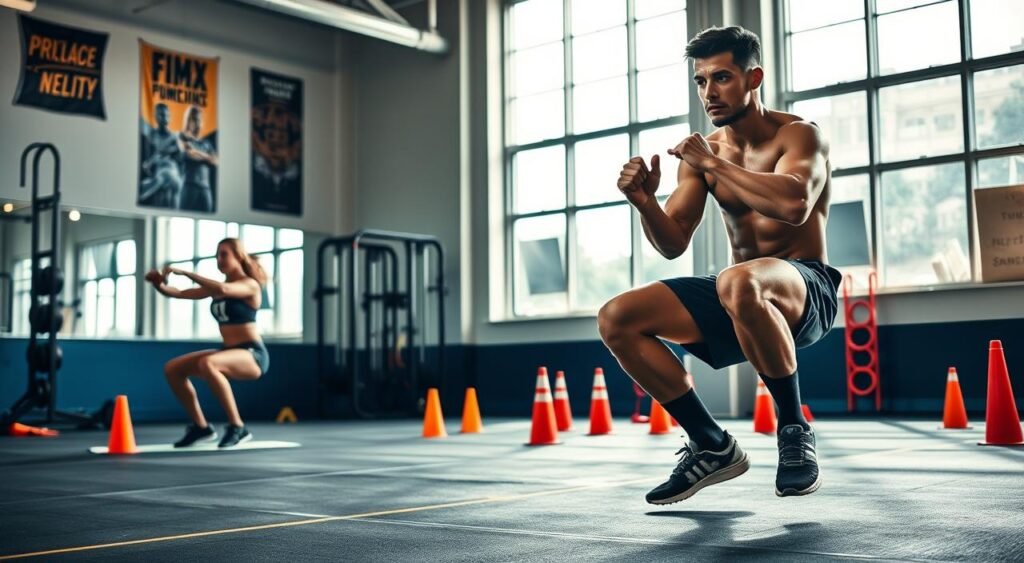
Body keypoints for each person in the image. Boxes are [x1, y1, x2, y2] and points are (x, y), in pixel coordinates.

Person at [598, 26, 840, 504]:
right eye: (701, 81)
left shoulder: (799, 136)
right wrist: (645, 202)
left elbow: (794, 204)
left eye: (723, 77)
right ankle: (711, 445)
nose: (710, 92)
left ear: (754, 78)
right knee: (617, 318)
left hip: (806, 290)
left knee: (737, 280)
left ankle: (793, 431)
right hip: (741, 295)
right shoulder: (705, 154)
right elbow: (673, 243)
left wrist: (714, 166)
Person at [145, 238, 269, 448]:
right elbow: (180, 294)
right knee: (173, 369)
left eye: (224, 254)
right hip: (229, 352)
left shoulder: (250, 285)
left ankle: (237, 427)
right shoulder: (217, 287)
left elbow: (224, 290)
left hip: (252, 355)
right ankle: (201, 427)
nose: (219, 259)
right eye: (217, 255)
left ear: (238, 256)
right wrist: (159, 284)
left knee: (208, 363)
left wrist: (187, 273)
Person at [138, 102, 184, 208]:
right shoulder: (150, 136)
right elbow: (146, 165)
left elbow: (181, 161)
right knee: (160, 205)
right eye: (162, 115)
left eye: (167, 115)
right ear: (156, 116)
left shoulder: (175, 138)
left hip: (173, 175)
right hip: (158, 175)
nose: (165, 118)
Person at [178, 105, 218, 212]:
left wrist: (198, 153)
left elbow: (216, 161)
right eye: (194, 119)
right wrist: (207, 157)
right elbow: (189, 154)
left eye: (199, 119)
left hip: (205, 189)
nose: (196, 123)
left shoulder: (206, 143)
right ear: (188, 120)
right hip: (189, 186)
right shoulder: (182, 137)